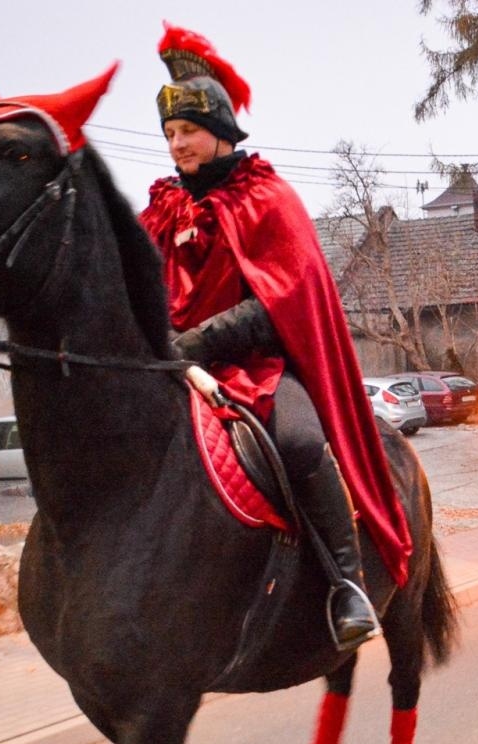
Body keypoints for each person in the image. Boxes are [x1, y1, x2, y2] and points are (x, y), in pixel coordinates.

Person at [138, 24, 406, 652]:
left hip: (258, 367)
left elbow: (284, 298)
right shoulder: (161, 210)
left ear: (222, 132)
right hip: (176, 369)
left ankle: (348, 584)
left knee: (300, 440)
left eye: (188, 132)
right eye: (170, 135)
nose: (177, 145)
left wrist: (197, 342)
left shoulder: (268, 198)